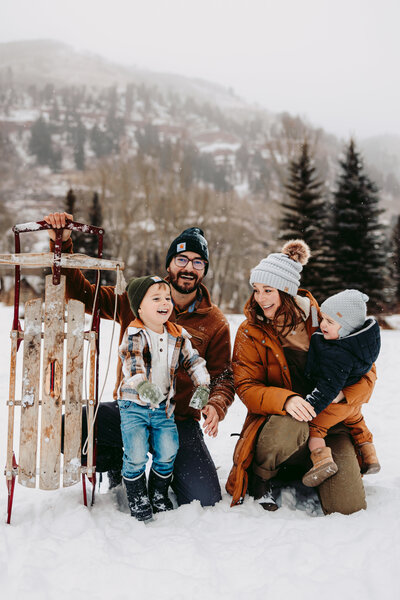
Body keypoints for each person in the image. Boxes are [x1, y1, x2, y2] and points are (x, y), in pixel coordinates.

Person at [44, 212, 234, 507]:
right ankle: (121, 463)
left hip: (177, 419)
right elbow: (82, 294)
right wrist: (64, 244)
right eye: (182, 260)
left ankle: (166, 467)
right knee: (70, 427)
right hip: (131, 410)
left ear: (204, 270)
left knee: (204, 497)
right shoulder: (136, 298)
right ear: (170, 264)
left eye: (198, 263)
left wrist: (215, 403)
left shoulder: (214, 322)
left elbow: (223, 376)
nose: (189, 268)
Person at [226, 240, 377, 515]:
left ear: (286, 291)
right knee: (292, 423)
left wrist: (344, 395)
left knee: (348, 507)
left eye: (268, 290)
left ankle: (317, 465)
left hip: (330, 426)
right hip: (280, 426)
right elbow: (246, 386)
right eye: (256, 290)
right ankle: (263, 478)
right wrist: (286, 400)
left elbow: (366, 372)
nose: (260, 298)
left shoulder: (323, 321)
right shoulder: (250, 331)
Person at [119, 275, 210, 521]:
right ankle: (137, 495)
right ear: (139, 307)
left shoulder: (177, 334)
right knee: (136, 452)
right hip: (134, 404)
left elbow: (193, 360)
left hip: (162, 406)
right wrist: (142, 384)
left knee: (169, 449)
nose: (165, 303)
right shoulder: (135, 332)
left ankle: (157, 492)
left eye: (167, 298)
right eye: (156, 298)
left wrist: (202, 385)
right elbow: (132, 361)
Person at [301, 289, 381, 487]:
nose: (322, 325)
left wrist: (310, 406)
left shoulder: (336, 354)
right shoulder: (360, 345)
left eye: (330, 322)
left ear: (346, 329)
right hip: (353, 406)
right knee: (358, 424)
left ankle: (322, 461)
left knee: (315, 430)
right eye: (323, 319)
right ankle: (369, 455)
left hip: (335, 405)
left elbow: (329, 387)